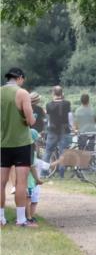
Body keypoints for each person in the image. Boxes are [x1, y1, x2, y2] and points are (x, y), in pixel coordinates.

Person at [1, 68, 37, 228]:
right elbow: (30, 121)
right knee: (21, 182)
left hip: (2, 143)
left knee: (1, 183)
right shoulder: (23, 93)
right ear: (20, 78)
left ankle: (1, 218)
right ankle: (21, 219)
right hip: (22, 143)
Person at [44, 85, 72, 175]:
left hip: (52, 130)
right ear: (62, 93)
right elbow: (69, 116)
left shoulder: (48, 105)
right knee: (63, 152)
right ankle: (61, 172)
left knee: (48, 151)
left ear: (53, 93)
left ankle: (44, 172)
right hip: (64, 130)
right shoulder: (67, 103)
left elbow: (48, 118)